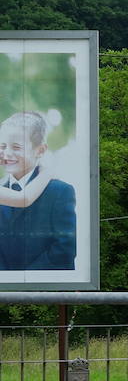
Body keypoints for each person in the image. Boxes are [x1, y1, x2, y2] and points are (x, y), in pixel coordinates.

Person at [0, 111, 76, 271]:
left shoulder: (60, 191)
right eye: (2, 146)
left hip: (43, 290)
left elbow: (64, 249)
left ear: (40, 150)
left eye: (16, 147)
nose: (6, 153)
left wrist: (27, 284)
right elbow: (24, 198)